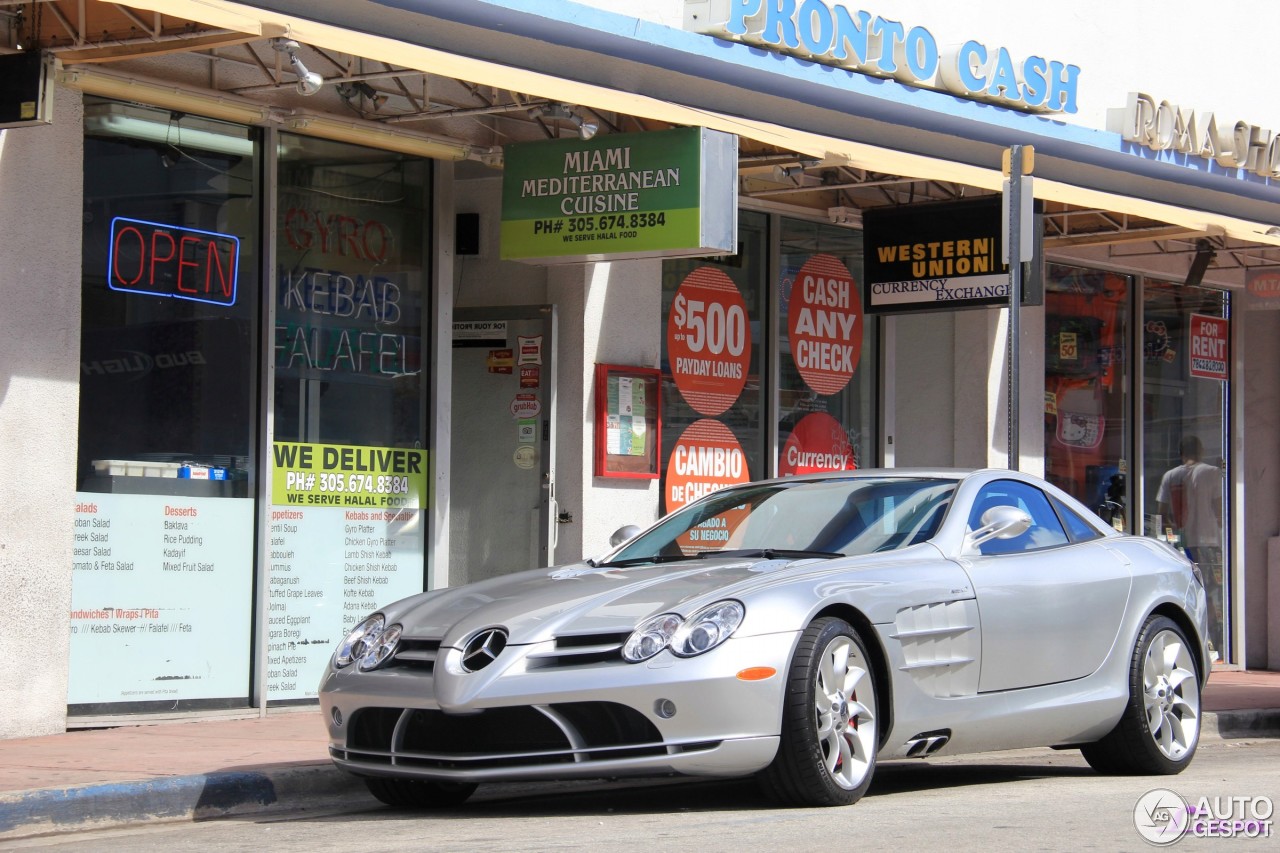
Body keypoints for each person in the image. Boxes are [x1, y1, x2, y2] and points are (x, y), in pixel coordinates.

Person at [1156, 435, 1223, 653]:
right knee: (1212, 593)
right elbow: (1220, 510)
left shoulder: (1170, 476)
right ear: (1201, 450)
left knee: (1187, 593)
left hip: (1180, 547)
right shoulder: (1212, 473)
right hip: (1209, 543)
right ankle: (1216, 642)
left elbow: (1161, 515)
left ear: (1180, 452)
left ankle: (1194, 642)